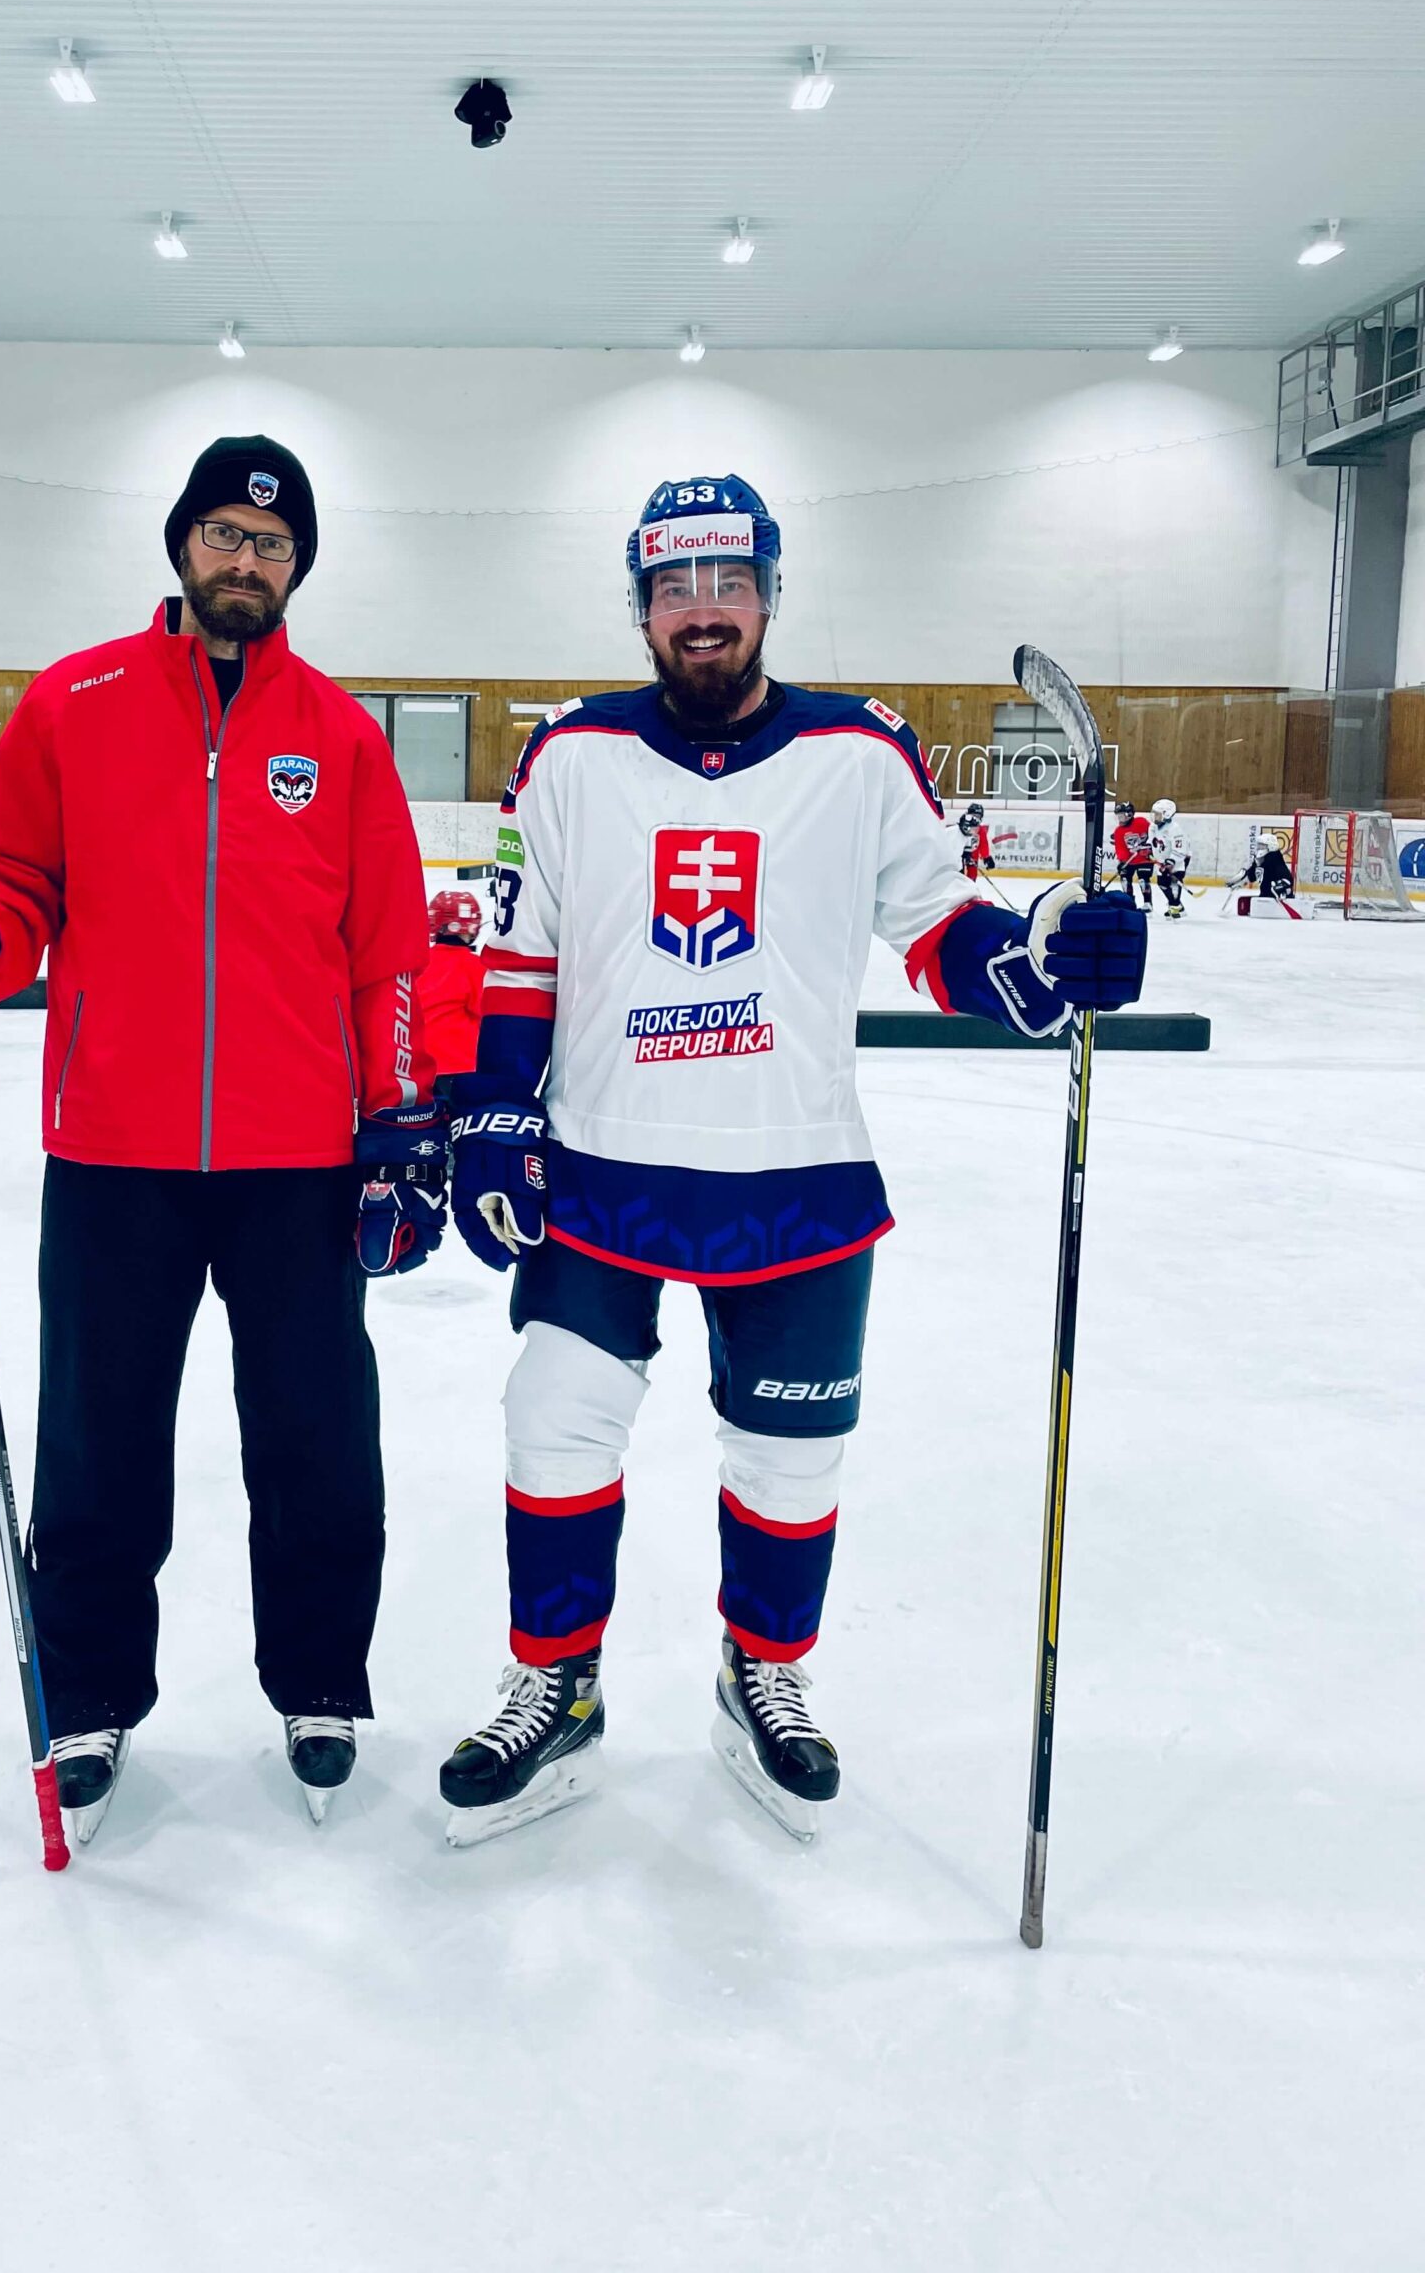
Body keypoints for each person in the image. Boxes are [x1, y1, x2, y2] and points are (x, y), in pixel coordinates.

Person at [436, 473, 1146, 1846]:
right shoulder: (569, 754)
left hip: (798, 1170)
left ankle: (762, 1674)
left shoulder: (861, 753)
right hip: (604, 1168)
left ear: (770, 593)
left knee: (790, 1455)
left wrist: (1046, 960)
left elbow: (943, 927)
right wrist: (498, 1111)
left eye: (730, 582)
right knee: (554, 1420)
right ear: (643, 607)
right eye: (675, 587)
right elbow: (522, 956)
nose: (703, 610)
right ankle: (557, 1687)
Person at [0, 433, 445, 1838]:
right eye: (226, 533)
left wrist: (400, 1121)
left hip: (298, 1160)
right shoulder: (76, 701)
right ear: (183, 543)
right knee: (98, 1442)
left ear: (298, 567)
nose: (247, 559)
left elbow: (387, 953)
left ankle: (320, 1682)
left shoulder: (342, 734)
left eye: (273, 543)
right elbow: (11, 882)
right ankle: (90, 1697)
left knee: (317, 1440)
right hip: (114, 1151)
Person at [421, 888, 488, 1100]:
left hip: (420, 1066)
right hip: (460, 1065)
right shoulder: (475, 966)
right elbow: (485, 1011)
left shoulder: (419, 963)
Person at [1233, 827, 1300, 917]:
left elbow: (1287, 879)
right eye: (1259, 845)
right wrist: (1241, 881)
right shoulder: (1259, 860)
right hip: (1265, 897)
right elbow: (1252, 877)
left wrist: (1280, 887)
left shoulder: (1275, 860)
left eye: (1262, 846)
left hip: (1276, 900)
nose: (1259, 848)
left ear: (1271, 846)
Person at [1148, 796, 1190, 920]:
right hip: (1161, 861)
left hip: (1177, 861)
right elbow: (1151, 842)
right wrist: (1147, 848)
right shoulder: (1153, 827)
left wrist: (1171, 862)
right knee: (1162, 883)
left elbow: (1180, 849)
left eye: (1157, 814)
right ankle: (1176, 905)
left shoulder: (1174, 829)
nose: (1154, 817)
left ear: (1166, 815)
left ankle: (1175, 907)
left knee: (1174, 883)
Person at [1112, 802, 1154, 908]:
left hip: (1144, 859)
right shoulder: (1118, 831)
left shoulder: (1142, 822)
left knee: (1143, 879)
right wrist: (1122, 861)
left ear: (1129, 814)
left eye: (1121, 816)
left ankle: (1147, 903)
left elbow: (1153, 834)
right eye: (1118, 816)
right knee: (1125, 880)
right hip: (1130, 860)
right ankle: (1129, 902)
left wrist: (1149, 846)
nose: (1119, 819)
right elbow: (1120, 848)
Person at [957, 801, 994, 882]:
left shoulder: (980, 830)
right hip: (960, 856)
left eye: (978, 816)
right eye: (974, 816)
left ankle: (970, 888)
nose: (976, 819)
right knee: (959, 875)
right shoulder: (962, 827)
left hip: (973, 857)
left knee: (972, 876)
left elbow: (983, 844)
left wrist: (986, 857)